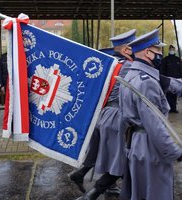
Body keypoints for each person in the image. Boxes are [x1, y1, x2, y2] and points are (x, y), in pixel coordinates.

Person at [119, 29, 182, 200]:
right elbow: (155, 126)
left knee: (140, 194)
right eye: (157, 51)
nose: (160, 55)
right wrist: (177, 153)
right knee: (157, 194)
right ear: (147, 52)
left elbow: (164, 80)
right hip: (150, 148)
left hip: (135, 144)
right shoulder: (146, 83)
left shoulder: (130, 75)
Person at [73, 29, 137, 200]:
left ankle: (82, 175)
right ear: (126, 50)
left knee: (101, 149)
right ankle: (97, 192)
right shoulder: (129, 66)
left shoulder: (110, 65)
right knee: (119, 156)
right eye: (133, 47)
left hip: (100, 114)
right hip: (115, 115)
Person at [160, 45, 182, 113]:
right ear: (169, 50)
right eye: (171, 49)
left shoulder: (178, 59)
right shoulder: (165, 59)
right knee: (168, 95)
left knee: (174, 95)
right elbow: (162, 70)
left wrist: (181, 78)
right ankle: (169, 108)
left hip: (176, 79)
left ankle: (174, 108)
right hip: (168, 80)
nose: (172, 50)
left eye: (173, 49)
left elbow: (181, 70)